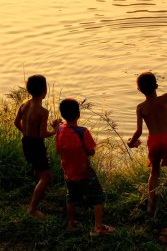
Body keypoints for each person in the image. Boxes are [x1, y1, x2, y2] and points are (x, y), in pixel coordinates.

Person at [127, 70, 167, 229]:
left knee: (154, 172)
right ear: (156, 85)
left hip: (154, 141)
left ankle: (150, 206)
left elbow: (139, 131)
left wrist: (131, 142)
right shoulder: (164, 99)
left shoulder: (140, 107)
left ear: (139, 90)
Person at [56, 98, 115, 236]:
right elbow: (91, 151)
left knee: (71, 197)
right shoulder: (82, 132)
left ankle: (71, 223)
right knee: (98, 197)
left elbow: (58, 151)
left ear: (62, 114)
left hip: (68, 172)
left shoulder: (59, 131)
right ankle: (98, 227)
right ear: (78, 114)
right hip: (84, 172)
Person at [14, 74, 61, 219]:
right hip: (36, 144)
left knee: (37, 169)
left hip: (26, 141)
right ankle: (32, 209)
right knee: (46, 176)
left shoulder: (24, 104)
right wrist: (55, 130)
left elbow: (16, 123)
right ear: (44, 91)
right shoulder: (42, 111)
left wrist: (27, 133)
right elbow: (42, 134)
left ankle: (38, 193)